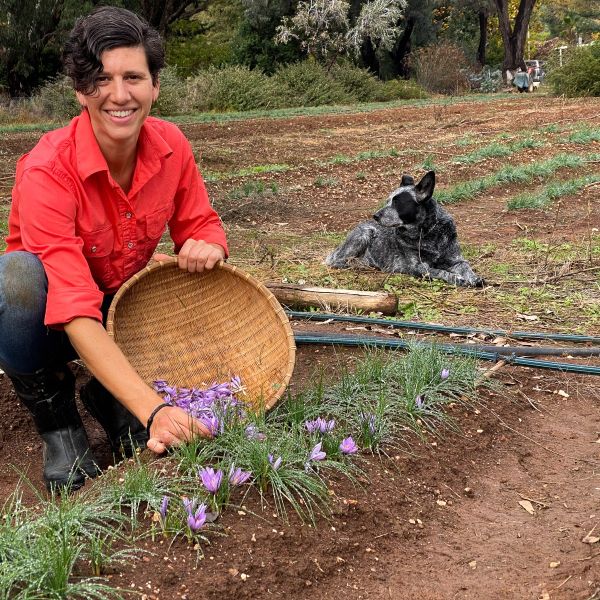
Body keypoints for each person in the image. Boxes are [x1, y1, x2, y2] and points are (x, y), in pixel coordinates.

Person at [0, 6, 227, 490]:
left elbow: (200, 223)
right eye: (101, 79)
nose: (119, 95)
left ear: (155, 86)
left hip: (122, 308)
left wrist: (207, 244)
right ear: (80, 90)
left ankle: (110, 394)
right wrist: (156, 410)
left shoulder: (172, 146)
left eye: (133, 78)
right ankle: (57, 417)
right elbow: (73, 304)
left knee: (167, 282)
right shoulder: (47, 170)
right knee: (14, 279)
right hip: (51, 321)